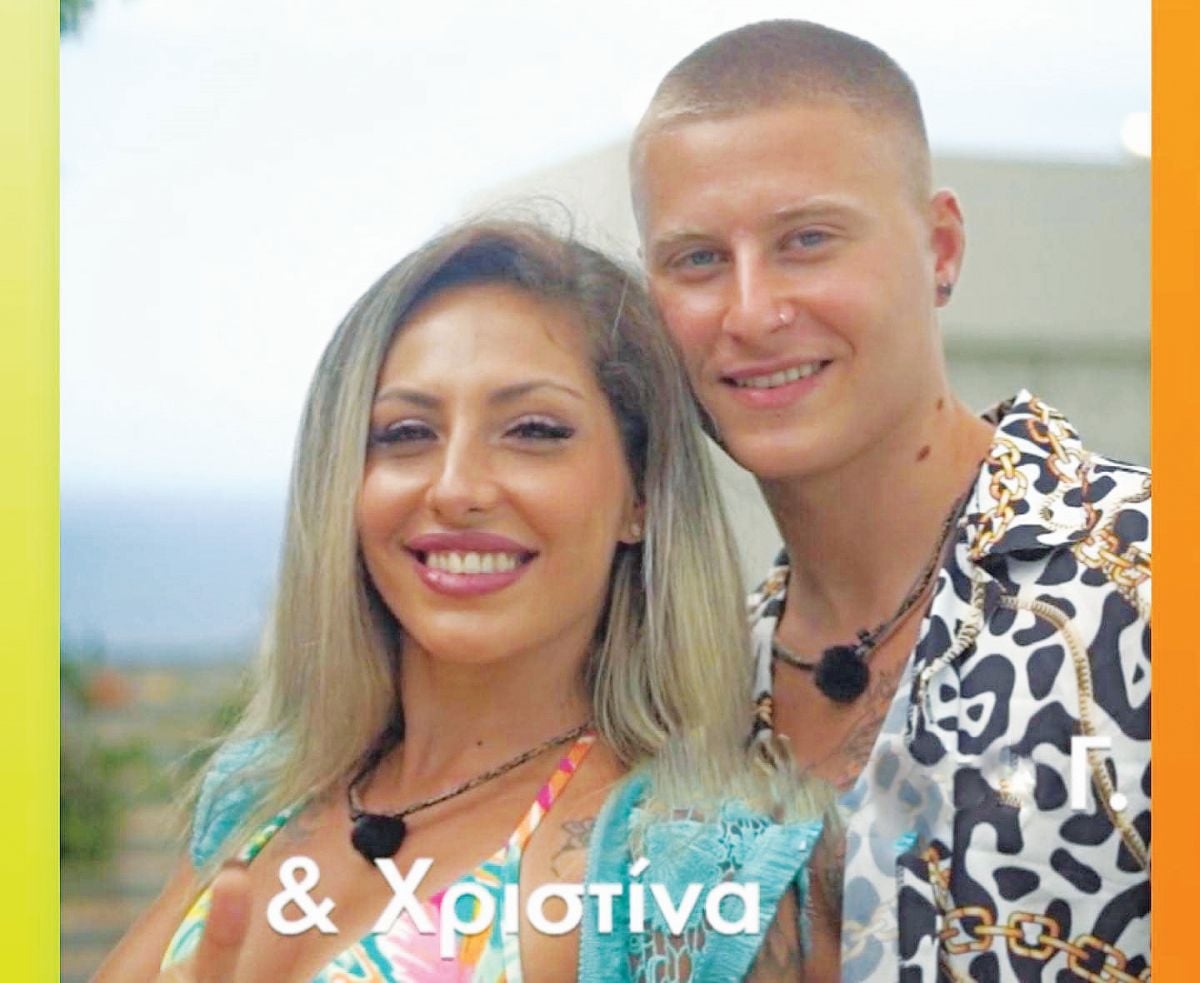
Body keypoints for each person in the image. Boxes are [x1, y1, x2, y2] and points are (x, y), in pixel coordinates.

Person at [94, 219, 837, 982]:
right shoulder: (259, 789)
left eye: (533, 430)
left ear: (640, 492)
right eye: (405, 432)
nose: (456, 488)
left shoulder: (691, 875)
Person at [630, 20, 1151, 982]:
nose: (751, 312)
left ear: (940, 247)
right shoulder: (691, 705)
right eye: (698, 260)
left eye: (807, 240)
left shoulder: (1146, 580)